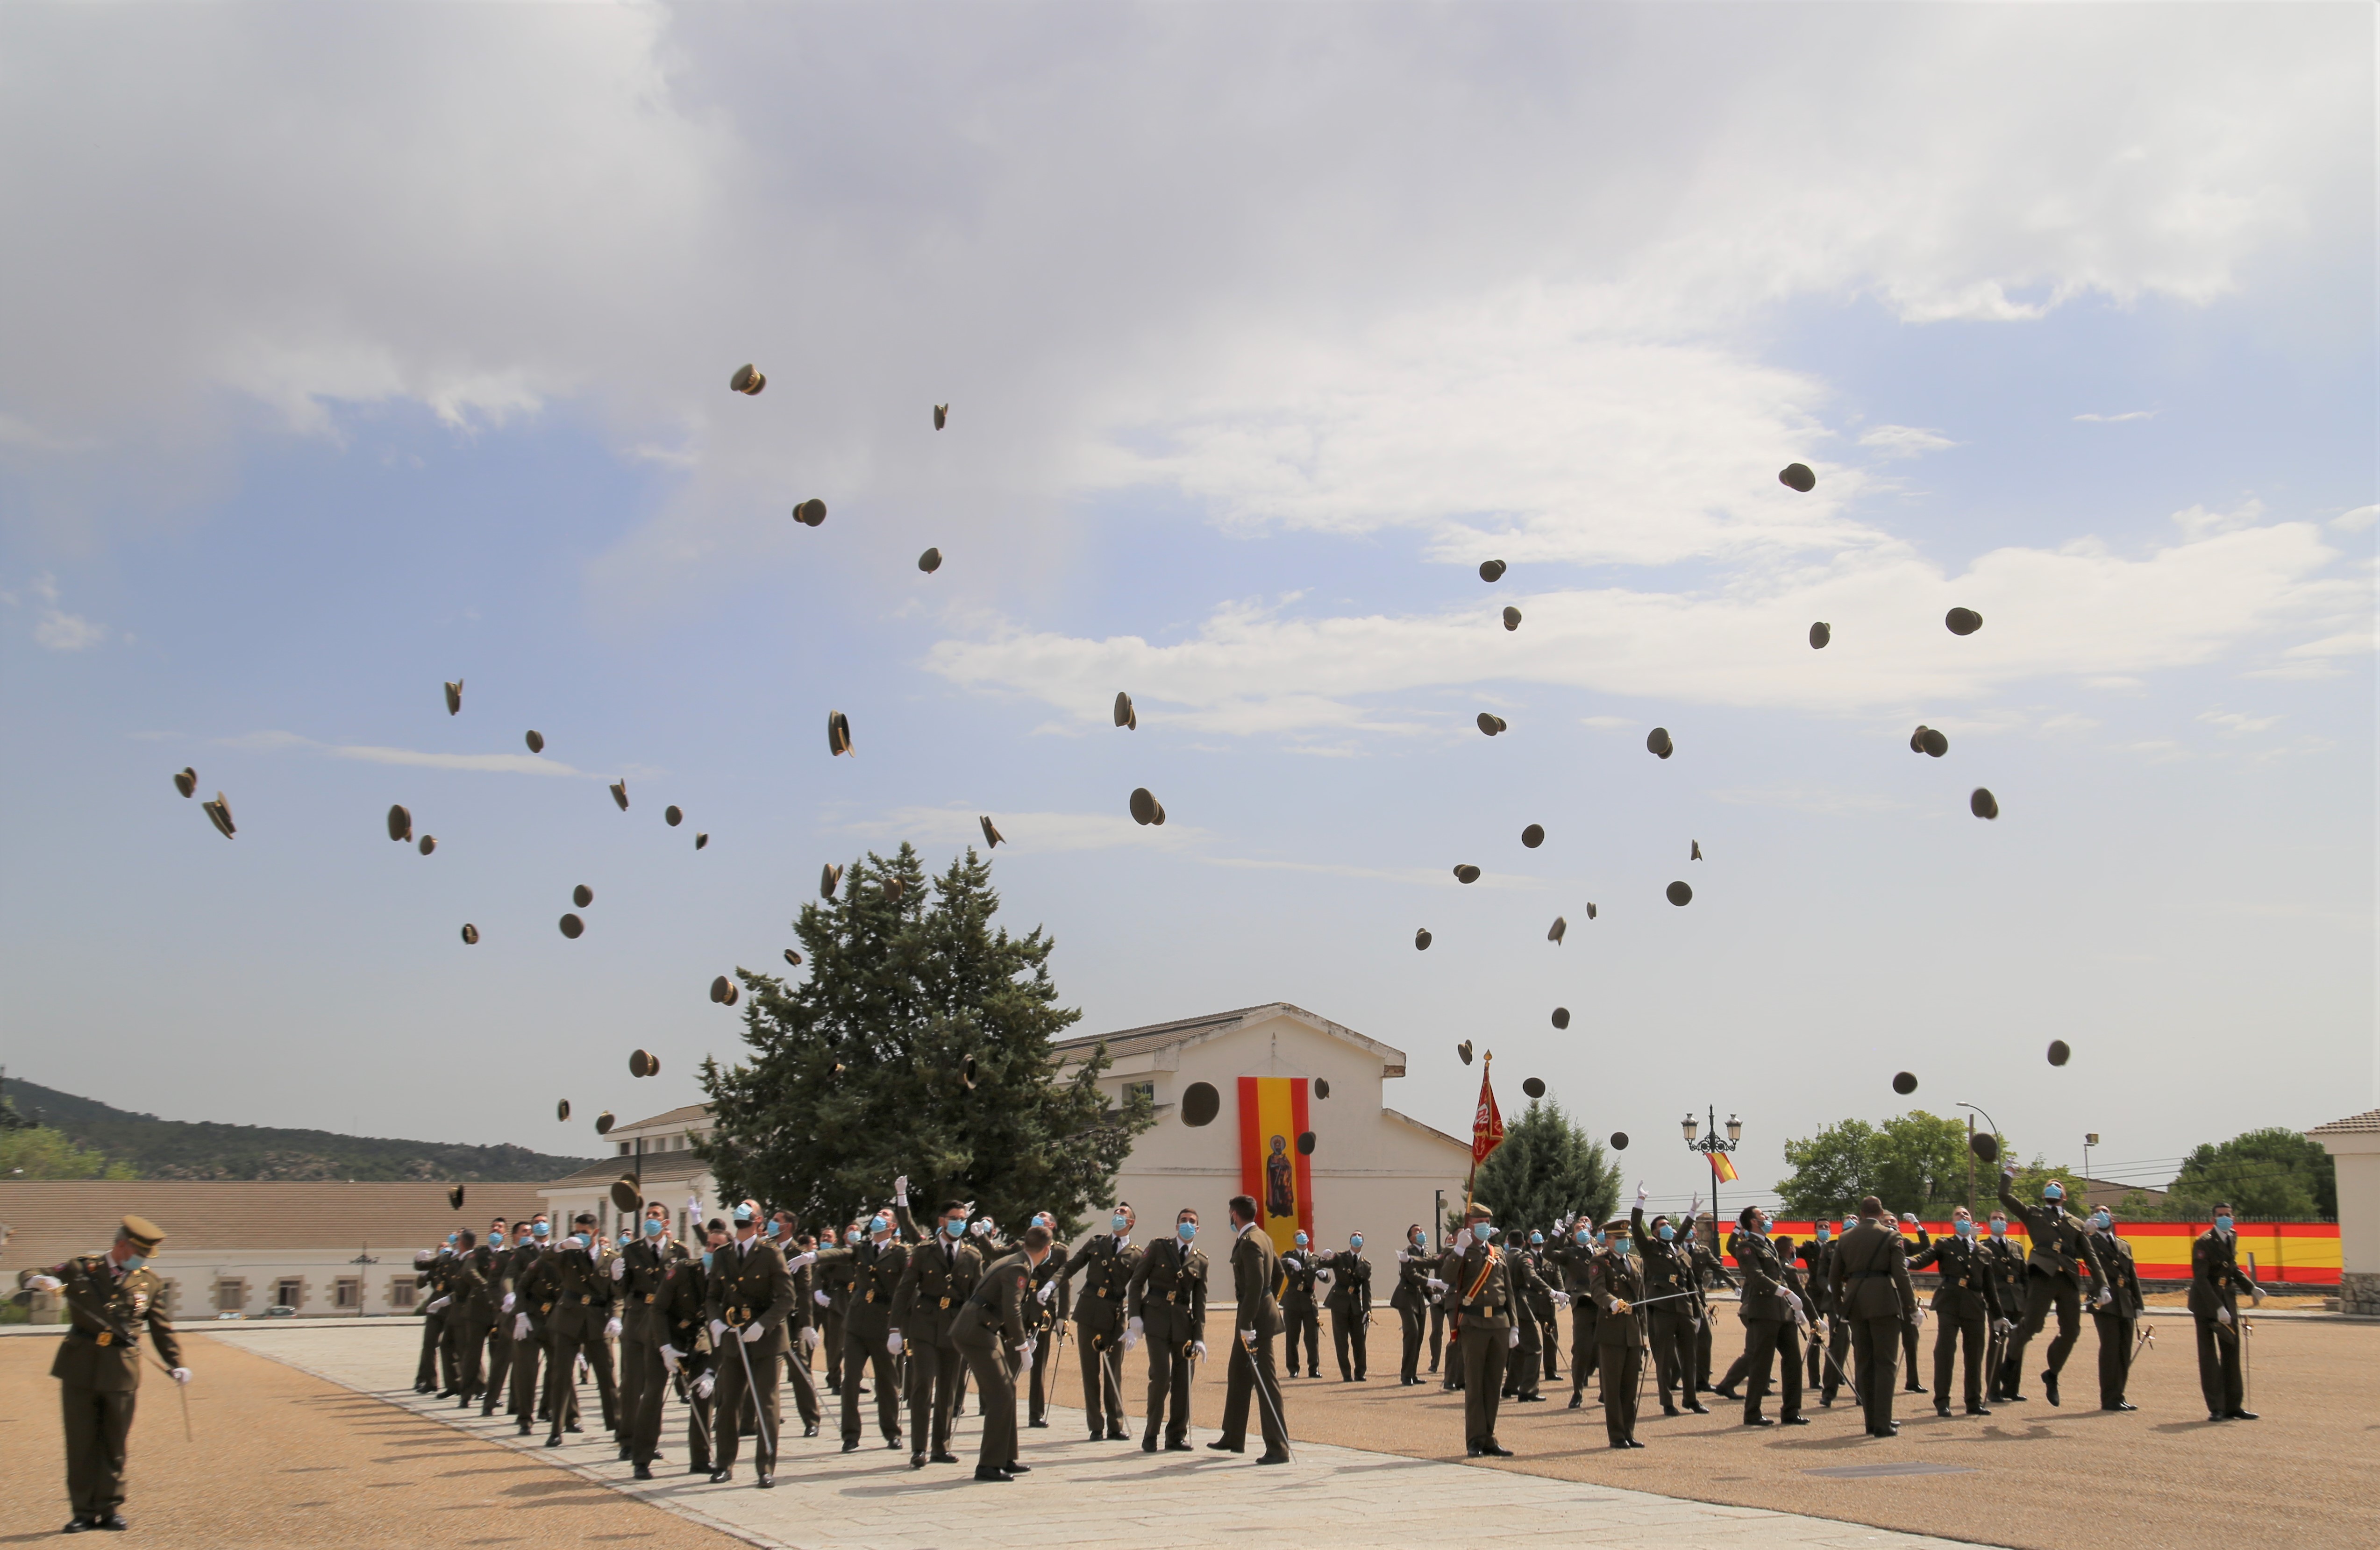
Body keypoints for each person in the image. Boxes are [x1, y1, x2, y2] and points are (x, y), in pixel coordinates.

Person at [16, 1214, 189, 1534]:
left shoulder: (149, 1282)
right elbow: (29, 1273)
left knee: (114, 1444)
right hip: (80, 1367)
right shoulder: (81, 1269)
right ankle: (82, 1512)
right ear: (122, 1245)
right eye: (139, 1253)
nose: (141, 1260)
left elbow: (161, 1327)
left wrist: (177, 1362)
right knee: (80, 1443)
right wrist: (40, 1281)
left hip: (122, 1370)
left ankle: (110, 1509)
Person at [1994, 1165, 2111, 1407]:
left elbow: (2090, 1257)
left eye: (2058, 1186)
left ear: (2064, 1197)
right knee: (2033, 1325)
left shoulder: (2076, 1223)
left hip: (2068, 1278)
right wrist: (2009, 1173)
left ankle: (2052, 1374)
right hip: (2043, 1274)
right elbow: (2004, 1196)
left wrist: (2103, 1287)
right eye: (2050, 1186)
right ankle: (2011, 1361)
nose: (2054, 1187)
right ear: (2044, 1195)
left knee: (2072, 1331)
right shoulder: (2033, 1214)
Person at [953, 1222, 1052, 1481]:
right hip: (976, 1331)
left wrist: (1019, 1340)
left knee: (1008, 1389)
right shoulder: (1020, 1268)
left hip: (982, 1328)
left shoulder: (1014, 1259)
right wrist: (1022, 1346)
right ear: (1047, 1249)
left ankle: (1007, 1458)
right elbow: (1012, 1308)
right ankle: (989, 1465)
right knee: (1001, 1394)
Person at [705, 1200, 794, 1486]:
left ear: (759, 1221)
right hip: (734, 1336)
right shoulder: (723, 1254)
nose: (741, 1212)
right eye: (740, 1208)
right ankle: (724, 1464)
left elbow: (787, 1298)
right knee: (728, 1403)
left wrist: (763, 1324)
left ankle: (765, 1467)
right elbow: (712, 1297)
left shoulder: (770, 1253)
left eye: (748, 1208)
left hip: (766, 1339)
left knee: (766, 1403)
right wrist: (715, 1321)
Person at [891, 1197, 983, 1468]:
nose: (959, 1224)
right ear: (942, 1221)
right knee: (923, 1384)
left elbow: (977, 1297)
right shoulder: (923, 1252)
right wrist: (895, 1328)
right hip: (925, 1323)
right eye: (954, 1219)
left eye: (963, 1219)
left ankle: (941, 1447)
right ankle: (919, 1448)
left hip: (955, 1326)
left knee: (948, 1388)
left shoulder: (972, 1255)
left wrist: (980, 1330)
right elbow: (905, 1290)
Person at [525, 1214, 620, 1447]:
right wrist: (561, 1245)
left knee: (607, 1376)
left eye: (585, 1232)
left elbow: (617, 1294)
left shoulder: (611, 1258)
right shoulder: (568, 1254)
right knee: (562, 1375)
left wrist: (617, 1317)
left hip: (597, 1320)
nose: (580, 1236)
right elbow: (546, 1257)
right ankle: (556, 1430)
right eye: (577, 1232)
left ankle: (619, 1428)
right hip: (568, 1319)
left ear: (596, 1233)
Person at [1829, 1194, 1919, 1439]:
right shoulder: (1891, 1235)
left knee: (1864, 1363)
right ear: (1881, 1214)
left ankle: (1871, 1421)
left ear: (1861, 1214)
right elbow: (1901, 1275)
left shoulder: (1845, 1237)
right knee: (1886, 1364)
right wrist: (1911, 1307)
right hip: (1883, 1302)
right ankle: (1883, 1422)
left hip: (1855, 1302)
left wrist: (1840, 1307)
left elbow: (1834, 1276)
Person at [1211, 1195, 1290, 1463]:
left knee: (1266, 1381)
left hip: (1254, 1321)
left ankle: (1278, 1447)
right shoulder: (1262, 1237)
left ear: (1234, 1214)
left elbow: (1255, 1286)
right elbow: (1279, 1274)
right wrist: (1270, 1301)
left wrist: (1248, 1323)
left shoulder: (1250, 1242)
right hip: (1255, 1314)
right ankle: (1233, 1436)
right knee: (1238, 1375)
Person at [1905, 1208, 2004, 1417]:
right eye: (1959, 1215)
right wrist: (1906, 1261)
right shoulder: (1944, 1244)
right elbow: (1924, 1259)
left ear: (1972, 1221)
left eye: (1966, 1215)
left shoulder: (1984, 1252)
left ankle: (1974, 1402)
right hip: (1949, 1302)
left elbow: (1990, 1288)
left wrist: (1998, 1316)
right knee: (1945, 1353)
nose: (1963, 1218)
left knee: (1974, 1355)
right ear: (1953, 1223)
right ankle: (1942, 1402)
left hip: (1974, 1304)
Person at [1125, 1207, 1208, 1452]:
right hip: (1156, 1318)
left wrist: (1200, 1337)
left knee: (1183, 1382)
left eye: (1192, 1221)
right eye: (1183, 1221)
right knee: (1161, 1377)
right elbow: (1137, 1282)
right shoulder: (1159, 1247)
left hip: (1183, 1324)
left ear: (1198, 1228)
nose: (1187, 1224)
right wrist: (1134, 1316)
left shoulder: (1201, 1260)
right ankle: (1151, 1433)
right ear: (1177, 1226)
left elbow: (1200, 1302)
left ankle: (1176, 1436)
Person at [1058, 1202, 1143, 1440]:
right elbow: (1073, 1265)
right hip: (1089, 1310)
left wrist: (1135, 1323)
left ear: (1131, 1222)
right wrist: (1052, 1283)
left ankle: (1115, 1425)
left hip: (1115, 1315)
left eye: (1123, 1213)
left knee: (1113, 1371)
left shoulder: (1136, 1254)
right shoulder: (1097, 1243)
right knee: (1090, 1371)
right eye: (1116, 1212)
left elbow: (1138, 1289)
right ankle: (1095, 1425)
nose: (1118, 1214)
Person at [1444, 1206, 1520, 1455]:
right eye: (1480, 1222)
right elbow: (1447, 1277)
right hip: (1474, 1324)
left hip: (1499, 1324)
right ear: (1470, 1224)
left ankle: (1489, 1437)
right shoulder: (1461, 1251)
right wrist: (1458, 1249)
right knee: (1475, 1385)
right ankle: (1475, 1440)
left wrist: (1514, 1325)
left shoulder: (1497, 1252)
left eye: (1487, 1222)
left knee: (1493, 1384)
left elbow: (1508, 1291)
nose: (1485, 1226)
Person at [616, 1198, 684, 1476]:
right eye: (648, 1214)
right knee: (632, 1386)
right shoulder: (631, 1250)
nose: (651, 1218)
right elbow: (622, 1291)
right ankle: (627, 1440)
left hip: (662, 1325)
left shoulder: (679, 1251)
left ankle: (648, 1443)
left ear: (666, 1222)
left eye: (656, 1215)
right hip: (637, 1320)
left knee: (655, 1390)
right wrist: (616, 1278)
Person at [1628, 1188, 1709, 1416]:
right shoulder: (1650, 1249)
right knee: (1664, 1358)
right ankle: (1667, 1402)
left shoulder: (1679, 1252)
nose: (1668, 1228)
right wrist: (1640, 1201)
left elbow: (1691, 1285)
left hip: (1684, 1307)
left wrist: (1697, 1313)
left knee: (1689, 1356)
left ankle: (1691, 1400)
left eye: (1669, 1225)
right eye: (1662, 1226)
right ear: (1655, 1232)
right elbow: (1636, 1227)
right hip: (1663, 1307)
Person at [1724, 1206, 1808, 1427]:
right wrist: (1786, 1293)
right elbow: (1756, 1276)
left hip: (1782, 1310)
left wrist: (1795, 1306)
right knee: (1762, 1363)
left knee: (1793, 1361)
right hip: (1762, 1310)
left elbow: (1780, 1275)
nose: (1767, 1218)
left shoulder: (1769, 1244)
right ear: (1753, 1221)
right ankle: (1752, 1412)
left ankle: (1791, 1411)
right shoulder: (1747, 1247)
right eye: (1762, 1215)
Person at [836, 1204, 910, 1453]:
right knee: (851, 1380)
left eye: (885, 1215)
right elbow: (840, 1253)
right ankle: (850, 1435)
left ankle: (892, 1432)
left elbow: (908, 1288)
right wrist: (813, 1257)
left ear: (893, 1226)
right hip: (857, 1322)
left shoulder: (900, 1253)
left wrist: (900, 1328)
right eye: (878, 1214)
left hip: (884, 1323)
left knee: (887, 1382)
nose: (879, 1217)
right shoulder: (862, 1248)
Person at [2188, 1203, 2263, 1422]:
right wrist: (2217, 1308)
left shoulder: (2232, 1236)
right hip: (2206, 1303)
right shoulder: (2204, 1242)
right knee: (2209, 1356)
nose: (2225, 1218)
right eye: (2220, 1215)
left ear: (2233, 1217)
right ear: (2213, 1218)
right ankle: (2217, 1408)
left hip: (2227, 1299)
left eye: (2228, 1215)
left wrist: (2251, 1288)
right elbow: (2201, 1279)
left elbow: (2232, 1268)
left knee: (2232, 1352)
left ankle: (2234, 1406)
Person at [664, 1221, 725, 1477]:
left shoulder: (729, 1280)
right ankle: (641, 1455)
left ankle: (700, 1459)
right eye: (708, 1245)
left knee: (703, 1394)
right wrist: (664, 1346)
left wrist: (712, 1370)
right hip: (669, 1335)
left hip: (700, 1339)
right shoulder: (685, 1269)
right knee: (652, 1394)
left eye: (716, 1247)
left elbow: (725, 1332)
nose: (709, 1250)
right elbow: (659, 1309)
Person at [1587, 1217, 1646, 1448]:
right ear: (1609, 1241)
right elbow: (1597, 1290)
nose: (1624, 1242)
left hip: (1633, 1331)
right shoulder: (1600, 1261)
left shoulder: (1636, 1262)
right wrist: (1612, 1302)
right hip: (1611, 1330)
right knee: (1612, 1387)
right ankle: (1617, 1435)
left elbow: (1641, 1299)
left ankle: (1629, 1432)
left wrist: (1645, 1334)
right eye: (1619, 1239)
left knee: (1630, 1387)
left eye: (1626, 1239)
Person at [768, 1212, 823, 1438]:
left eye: (777, 1221)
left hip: (791, 1320)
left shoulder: (798, 1253)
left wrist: (807, 1325)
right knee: (762, 1370)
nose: (771, 1224)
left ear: (788, 1226)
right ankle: (750, 1419)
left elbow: (805, 1290)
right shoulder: (766, 1249)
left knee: (800, 1370)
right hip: (767, 1318)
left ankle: (811, 1420)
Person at [2087, 1205, 2145, 1412]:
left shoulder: (2124, 1245)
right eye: (2098, 1213)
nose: (2102, 1215)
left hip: (2125, 1301)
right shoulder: (2089, 1242)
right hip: (2104, 1302)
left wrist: (2139, 1303)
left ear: (2113, 1218)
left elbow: (2132, 1276)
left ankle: (2119, 1395)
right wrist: (2087, 1232)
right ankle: (2109, 1398)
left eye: (2106, 1212)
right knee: (2110, 1349)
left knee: (2124, 1350)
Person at [1021, 1210, 1070, 1428]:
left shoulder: (1059, 1251)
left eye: (1044, 1217)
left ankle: (1036, 1413)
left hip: (1044, 1310)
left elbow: (1065, 1283)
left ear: (1052, 1226)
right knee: (1011, 1359)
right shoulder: (1023, 1245)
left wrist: (1063, 1317)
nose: (1039, 1218)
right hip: (1022, 1306)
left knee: (1039, 1363)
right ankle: (1000, 1405)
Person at [1547, 1216, 1601, 1408]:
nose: (1583, 1230)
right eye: (1578, 1228)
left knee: (1603, 1349)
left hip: (1603, 1303)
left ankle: (1606, 1391)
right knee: (1582, 1349)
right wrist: (1557, 1233)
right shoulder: (1570, 1253)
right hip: (1583, 1303)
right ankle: (1578, 1391)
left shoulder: (1601, 1252)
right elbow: (1548, 1253)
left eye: (1585, 1227)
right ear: (1573, 1236)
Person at [1977, 1209, 2028, 1402]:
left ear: (2007, 1224)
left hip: (2018, 1300)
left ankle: (2012, 1389)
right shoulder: (1984, 1246)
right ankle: (1993, 1389)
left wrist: (2029, 1299)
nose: (1999, 1221)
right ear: (1989, 1224)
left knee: (2018, 1344)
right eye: (1995, 1219)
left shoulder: (2017, 1247)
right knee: (1997, 1344)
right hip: (1997, 1299)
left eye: (2002, 1219)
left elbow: (2024, 1275)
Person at [1321, 1232, 1374, 1382]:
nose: (1357, 1238)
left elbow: (1367, 1289)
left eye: (1360, 1236)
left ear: (1363, 1242)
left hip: (1356, 1305)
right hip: (1339, 1302)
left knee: (1359, 1341)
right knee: (1341, 1341)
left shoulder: (1366, 1264)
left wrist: (1368, 1310)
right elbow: (1324, 1264)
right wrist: (1323, 1258)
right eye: (1354, 1236)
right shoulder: (1340, 1257)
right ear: (1350, 1241)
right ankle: (1346, 1374)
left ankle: (1360, 1373)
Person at [1390, 1223, 1435, 1386]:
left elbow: (1424, 1279)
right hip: (1406, 1297)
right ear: (1411, 1238)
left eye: (1422, 1230)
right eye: (1417, 1231)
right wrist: (1433, 1283)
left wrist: (1432, 1296)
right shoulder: (1408, 1252)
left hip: (1418, 1298)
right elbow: (1412, 1275)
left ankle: (1412, 1374)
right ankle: (1406, 1375)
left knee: (1419, 1337)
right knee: (1413, 1334)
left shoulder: (1426, 1254)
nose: (1421, 1232)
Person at [1279, 1230, 1322, 1378]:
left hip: (1309, 1301)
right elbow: (1277, 1263)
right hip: (1293, 1301)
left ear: (1308, 1239)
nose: (1302, 1237)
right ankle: (1293, 1369)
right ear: (1294, 1240)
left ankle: (1314, 1368)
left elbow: (1325, 1277)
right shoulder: (1288, 1256)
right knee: (1292, 1337)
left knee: (1312, 1337)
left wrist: (1325, 1275)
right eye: (1298, 1235)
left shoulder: (1314, 1258)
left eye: (1304, 1234)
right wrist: (1289, 1262)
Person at [1894, 1214, 1928, 1395]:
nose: (1890, 1224)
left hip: (1905, 1298)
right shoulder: (1874, 1242)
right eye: (1886, 1222)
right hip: (1885, 1297)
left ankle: (1913, 1381)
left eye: (1893, 1222)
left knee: (1911, 1341)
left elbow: (1925, 1246)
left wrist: (1916, 1224)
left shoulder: (1904, 1243)